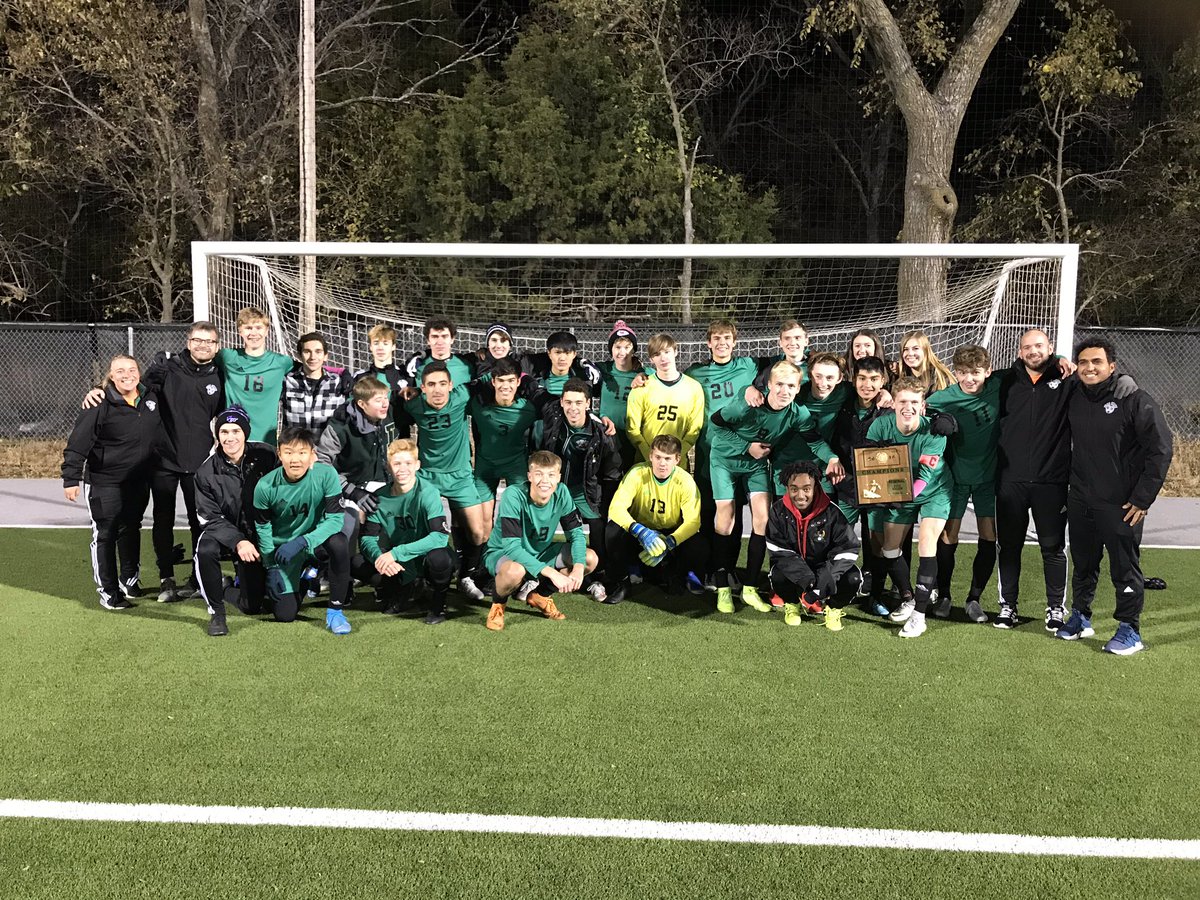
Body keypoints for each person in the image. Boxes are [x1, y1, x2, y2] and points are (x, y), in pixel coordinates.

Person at [994, 328, 1135, 631]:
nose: (1033, 351)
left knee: (1053, 547)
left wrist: (1125, 379)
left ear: (1050, 348)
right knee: (1009, 546)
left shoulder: (1068, 381)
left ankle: (1056, 607)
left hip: (1052, 481)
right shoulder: (1003, 381)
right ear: (1019, 352)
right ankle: (1008, 606)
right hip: (1010, 481)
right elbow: (970, 385)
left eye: (1039, 345)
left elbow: (1098, 381)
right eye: (1027, 347)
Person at [82, 321, 225, 603]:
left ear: (217, 347)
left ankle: (197, 577)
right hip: (163, 460)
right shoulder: (167, 368)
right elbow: (130, 387)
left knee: (199, 522)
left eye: (209, 341)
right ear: (188, 342)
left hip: (199, 461)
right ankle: (165, 578)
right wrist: (98, 389)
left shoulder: (220, 375)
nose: (202, 346)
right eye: (197, 340)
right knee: (163, 519)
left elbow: (223, 414)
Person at [1056, 337, 1172, 655]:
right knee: (1083, 563)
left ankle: (1129, 629)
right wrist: (1058, 360)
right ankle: (1080, 616)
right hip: (1081, 497)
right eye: (1083, 362)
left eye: (1097, 362)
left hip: (1121, 502)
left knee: (1124, 567)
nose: (1089, 368)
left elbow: (1161, 449)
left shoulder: (1134, 399)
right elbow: (1047, 370)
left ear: (1112, 366)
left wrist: (1143, 498)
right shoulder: (1074, 394)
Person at [707, 360, 828, 613]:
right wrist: (745, 446)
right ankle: (722, 588)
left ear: (798, 389)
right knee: (725, 520)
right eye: (780, 384)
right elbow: (715, 423)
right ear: (769, 385)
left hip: (756, 464)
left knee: (762, 520)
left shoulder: (797, 412)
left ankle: (750, 588)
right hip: (725, 461)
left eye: (791, 386)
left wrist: (834, 458)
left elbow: (815, 441)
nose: (785, 391)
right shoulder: (748, 404)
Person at [63, 355, 161, 610]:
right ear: (111, 376)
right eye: (120, 371)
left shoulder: (150, 397)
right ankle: (108, 592)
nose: (127, 375)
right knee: (105, 534)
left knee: (131, 528)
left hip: (137, 480)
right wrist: (71, 477)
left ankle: (129, 580)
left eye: (132, 369)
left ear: (139, 372)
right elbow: (78, 442)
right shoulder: (98, 402)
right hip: (104, 481)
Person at [865, 376, 954, 639]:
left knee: (926, 544)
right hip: (899, 492)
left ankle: (919, 616)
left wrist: (899, 496)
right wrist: (876, 492)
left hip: (934, 492)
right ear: (893, 403)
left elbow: (924, 477)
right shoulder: (879, 426)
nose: (908, 407)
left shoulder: (935, 432)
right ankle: (910, 597)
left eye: (914, 402)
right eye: (903, 401)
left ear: (923, 406)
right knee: (889, 549)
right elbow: (869, 464)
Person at [394, 361, 489, 600]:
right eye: (431, 385)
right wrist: (400, 393)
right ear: (423, 387)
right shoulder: (413, 404)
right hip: (427, 477)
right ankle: (420, 576)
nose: (437, 390)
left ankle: (466, 577)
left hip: (460, 476)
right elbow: (392, 405)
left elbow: (489, 379)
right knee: (421, 531)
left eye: (442, 384)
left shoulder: (462, 396)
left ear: (451, 385)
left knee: (479, 533)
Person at [252, 426, 353, 633]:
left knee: (339, 543)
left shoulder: (327, 475)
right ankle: (308, 578)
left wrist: (303, 541)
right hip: (284, 551)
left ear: (312, 455)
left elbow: (335, 520)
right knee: (285, 615)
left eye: (302, 452)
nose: (295, 460)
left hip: (313, 544)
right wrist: (271, 565)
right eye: (288, 452)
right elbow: (263, 528)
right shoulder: (265, 486)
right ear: (279, 454)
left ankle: (335, 611)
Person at [482, 450, 598, 632]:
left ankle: (540, 596)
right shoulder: (514, 495)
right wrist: (552, 573)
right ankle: (498, 605)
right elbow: (512, 547)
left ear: (558, 477)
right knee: (515, 571)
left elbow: (576, 534)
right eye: (539, 474)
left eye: (551, 475)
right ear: (529, 476)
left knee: (589, 559)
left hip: (541, 553)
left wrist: (578, 567)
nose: (545, 481)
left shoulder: (562, 492)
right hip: (504, 555)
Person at [927, 345, 1000, 624]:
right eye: (963, 372)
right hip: (955, 478)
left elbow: (1027, 371)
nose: (969, 378)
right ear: (955, 372)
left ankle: (974, 599)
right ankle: (944, 595)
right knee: (949, 537)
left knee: (989, 536)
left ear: (988, 372)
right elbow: (915, 407)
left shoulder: (998, 386)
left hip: (988, 477)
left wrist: (1059, 360)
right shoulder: (942, 398)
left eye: (976, 372)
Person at [193, 406, 280, 636]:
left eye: (235, 431)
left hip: (260, 532)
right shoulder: (205, 472)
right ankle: (217, 613)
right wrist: (238, 541)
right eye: (224, 432)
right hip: (228, 534)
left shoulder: (267, 455)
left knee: (252, 606)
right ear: (217, 435)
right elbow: (208, 517)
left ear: (245, 433)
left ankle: (227, 587)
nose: (230, 438)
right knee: (205, 549)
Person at [539, 378, 623, 602]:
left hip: (582, 489)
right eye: (568, 402)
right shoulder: (552, 415)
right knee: (537, 522)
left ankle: (597, 577)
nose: (573, 408)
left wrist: (606, 502)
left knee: (597, 524)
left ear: (588, 403)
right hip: (552, 487)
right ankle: (533, 571)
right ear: (561, 402)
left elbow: (612, 470)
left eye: (578, 402)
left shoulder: (601, 431)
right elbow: (532, 390)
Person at [360, 440, 457, 625]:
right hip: (399, 563)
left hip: (424, 556)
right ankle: (402, 590)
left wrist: (396, 553)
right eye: (397, 463)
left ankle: (438, 603)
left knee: (440, 559)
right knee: (358, 564)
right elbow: (367, 539)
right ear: (388, 466)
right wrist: (381, 558)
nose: (402, 469)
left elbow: (440, 537)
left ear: (417, 465)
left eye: (408, 463)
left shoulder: (428, 493)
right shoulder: (379, 497)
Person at [683, 320, 759, 552]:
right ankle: (707, 565)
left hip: (739, 452)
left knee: (733, 511)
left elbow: (781, 365)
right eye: (716, 338)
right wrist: (643, 373)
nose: (722, 343)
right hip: (708, 451)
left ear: (734, 342)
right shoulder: (695, 373)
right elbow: (669, 378)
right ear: (708, 343)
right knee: (706, 511)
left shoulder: (748, 366)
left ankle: (728, 566)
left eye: (727, 338)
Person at [604, 434, 706, 604]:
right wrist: (640, 531)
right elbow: (615, 509)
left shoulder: (686, 481)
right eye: (658, 457)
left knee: (699, 544)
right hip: (640, 532)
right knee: (612, 531)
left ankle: (680, 573)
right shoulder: (637, 473)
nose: (662, 463)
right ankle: (622, 581)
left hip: (671, 533)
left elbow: (693, 522)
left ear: (677, 459)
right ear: (650, 456)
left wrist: (670, 542)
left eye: (667, 458)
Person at [830, 355, 892, 616]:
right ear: (853, 380)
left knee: (877, 544)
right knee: (839, 541)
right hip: (846, 487)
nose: (868, 385)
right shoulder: (841, 405)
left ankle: (876, 595)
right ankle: (834, 592)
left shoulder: (889, 410)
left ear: (883, 381)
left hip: (878, 489)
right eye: (862, 378)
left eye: (874, 379)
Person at [766, 460, 861, 630]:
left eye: (806, 489)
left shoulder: (832, 512)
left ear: (815, 487)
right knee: (777, 575)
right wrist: (808, 581)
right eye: (794, 489)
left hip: (825, 566)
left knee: (853, 578)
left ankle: (833, 608)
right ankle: (792, 604)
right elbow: (778, 550)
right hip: (798, 568)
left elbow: (848, 549)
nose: (800, 496)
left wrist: (825, 577)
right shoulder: (777, 511)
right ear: (787, 488)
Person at [468, 356, 550, 534]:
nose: (506, 386)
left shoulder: (528, 408)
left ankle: (515, 550)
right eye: (501, 380)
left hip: (516, 465)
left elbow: (556, 410)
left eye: (511, 381)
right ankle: (485, 552)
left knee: (517, 517)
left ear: (518, 382)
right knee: (482, 523)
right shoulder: (478, 405)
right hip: (485, 466)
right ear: (493, 382)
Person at [316, 376, 398, 540]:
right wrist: (351, 491)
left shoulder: (393, 412)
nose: (385, 404)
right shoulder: (341, 425)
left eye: (385, 398)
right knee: (345, 533)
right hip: (350, 488)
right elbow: (321, 463)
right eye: (378, 400)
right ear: (361, 404)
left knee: (386, 536)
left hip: (385, 483)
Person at [217, 307, 294, 445]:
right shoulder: (227, 357)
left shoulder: (281, 362)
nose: (253, 333)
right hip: (234, 439)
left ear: (267, 331)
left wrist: (336, 372)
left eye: (258, 327)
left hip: (266, 441)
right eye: (248, 328)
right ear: (240, 331)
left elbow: (310, 367)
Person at [625, 332, 706, 464]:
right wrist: (652, 456)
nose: (663, 358)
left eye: (667, 352)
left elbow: (694, 429)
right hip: (647, 463)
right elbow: (632, 429)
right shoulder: (641, 387)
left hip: (678, 464)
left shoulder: (694, 387)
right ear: (651, 359)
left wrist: (676, 456)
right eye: (657, 354)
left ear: (675, 352)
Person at [597, 320, 646, 469]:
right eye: (617, 347)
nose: (622, 352)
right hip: (608, 434)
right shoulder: (602, 370)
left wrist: (643, 375)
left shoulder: (645, 374)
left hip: (634, 437)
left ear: (634, 350)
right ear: (611, 349)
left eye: (627, 347)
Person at [283, 331, 349, 440]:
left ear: (325, 356)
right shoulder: (287, 381)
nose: (313, 357)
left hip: (327, 448)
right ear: (299, 356)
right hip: (296, 447)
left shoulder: (339, 383)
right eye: (307, 352)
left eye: (318, 352)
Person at [404, 317, 477, 386]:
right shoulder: (417, 367)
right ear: (428, 340)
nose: (440, 342)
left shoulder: (467, 366)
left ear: (452, 339)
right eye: (435, 337)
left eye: (444, 336)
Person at [351, 324, 410, 392]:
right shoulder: (360, 377)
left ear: (393, 346)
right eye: (376, 343)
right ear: (370, 347)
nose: (380, 348)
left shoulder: (404, 375)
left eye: (385, 344)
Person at [896, 330, 956, 394]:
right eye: (906, 349)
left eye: (916, 348)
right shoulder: (898, 374)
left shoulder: (940, 377)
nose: (910, 353)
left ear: (925, 350)